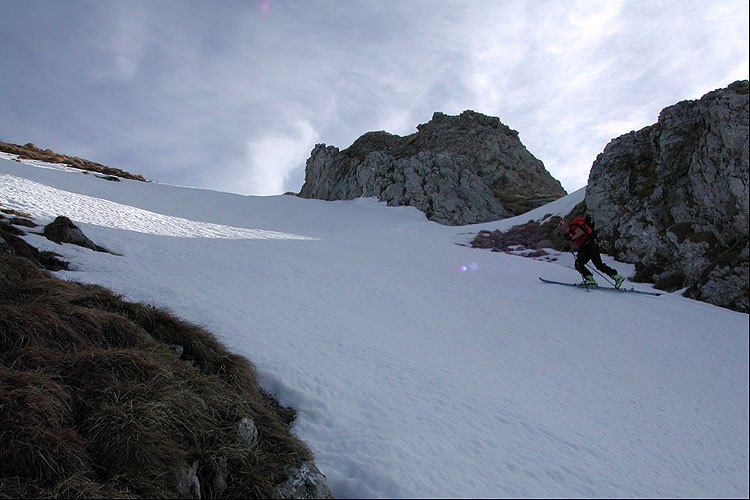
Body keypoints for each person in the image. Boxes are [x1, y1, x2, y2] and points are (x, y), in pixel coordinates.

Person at [564, 215, 625, 288]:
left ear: (566, 223)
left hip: (589, 246)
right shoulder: (571, 230)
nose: (561, 225)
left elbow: (580, 232)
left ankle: (615, 277)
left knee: (591, 264)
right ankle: (591, 279)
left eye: (562, 223)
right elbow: (580, 238)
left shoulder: (573, 227)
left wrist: (571, 238)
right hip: (589, 246)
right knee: (580, 263)